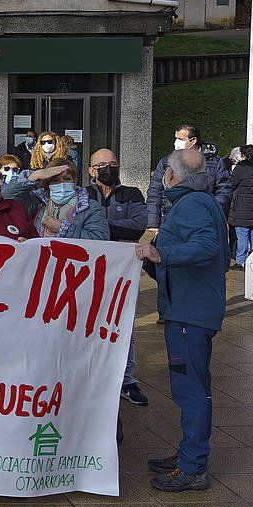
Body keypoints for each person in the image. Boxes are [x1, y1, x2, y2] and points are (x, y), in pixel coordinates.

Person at [135, 148, 227, 492]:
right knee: (193, 389)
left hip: (190, 313)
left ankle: (192, 467)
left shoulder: (191, 206)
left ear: (171, 176)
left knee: (191, 391)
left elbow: (205, 246)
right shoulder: (201, 202)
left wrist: (161, 253)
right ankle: (189, 454)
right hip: (192, 308)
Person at [86, 148, 149, 407]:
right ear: (91, 170)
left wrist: (99, 227)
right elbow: (74, 227)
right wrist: (113, 229)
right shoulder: (83, 195)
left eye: (112, 163)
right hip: (88, 273)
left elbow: (139, 224)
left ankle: (127, 379)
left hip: (122, 272)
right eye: (101, 164)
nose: (107, 168)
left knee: (123, 325)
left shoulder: (131, 194)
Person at [146, 124, 232, 234]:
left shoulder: (214, 162)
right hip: (170, 220)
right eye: (176, 138)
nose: (176, 143)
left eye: (180, 139)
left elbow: (224, 191)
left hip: (203, 222)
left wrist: (210, 210)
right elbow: (155, 192)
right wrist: (153, 224)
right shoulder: (166, 162)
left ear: (193, 140)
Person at [3, 159, 110, 241]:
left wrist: (62, 228)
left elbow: (101, 239)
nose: (61, 184)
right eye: (55, 180)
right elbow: (8, 197)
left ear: (75, 181)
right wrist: (33, 176)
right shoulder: (37, 202)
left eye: (67, 179)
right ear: (47, 184)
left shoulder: (90, 207)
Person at [227, 144, 253, 270]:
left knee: (242, 234)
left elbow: (231, 184)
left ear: (243, 155)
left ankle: (241, 261)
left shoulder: (240, 168)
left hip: (241, 207)